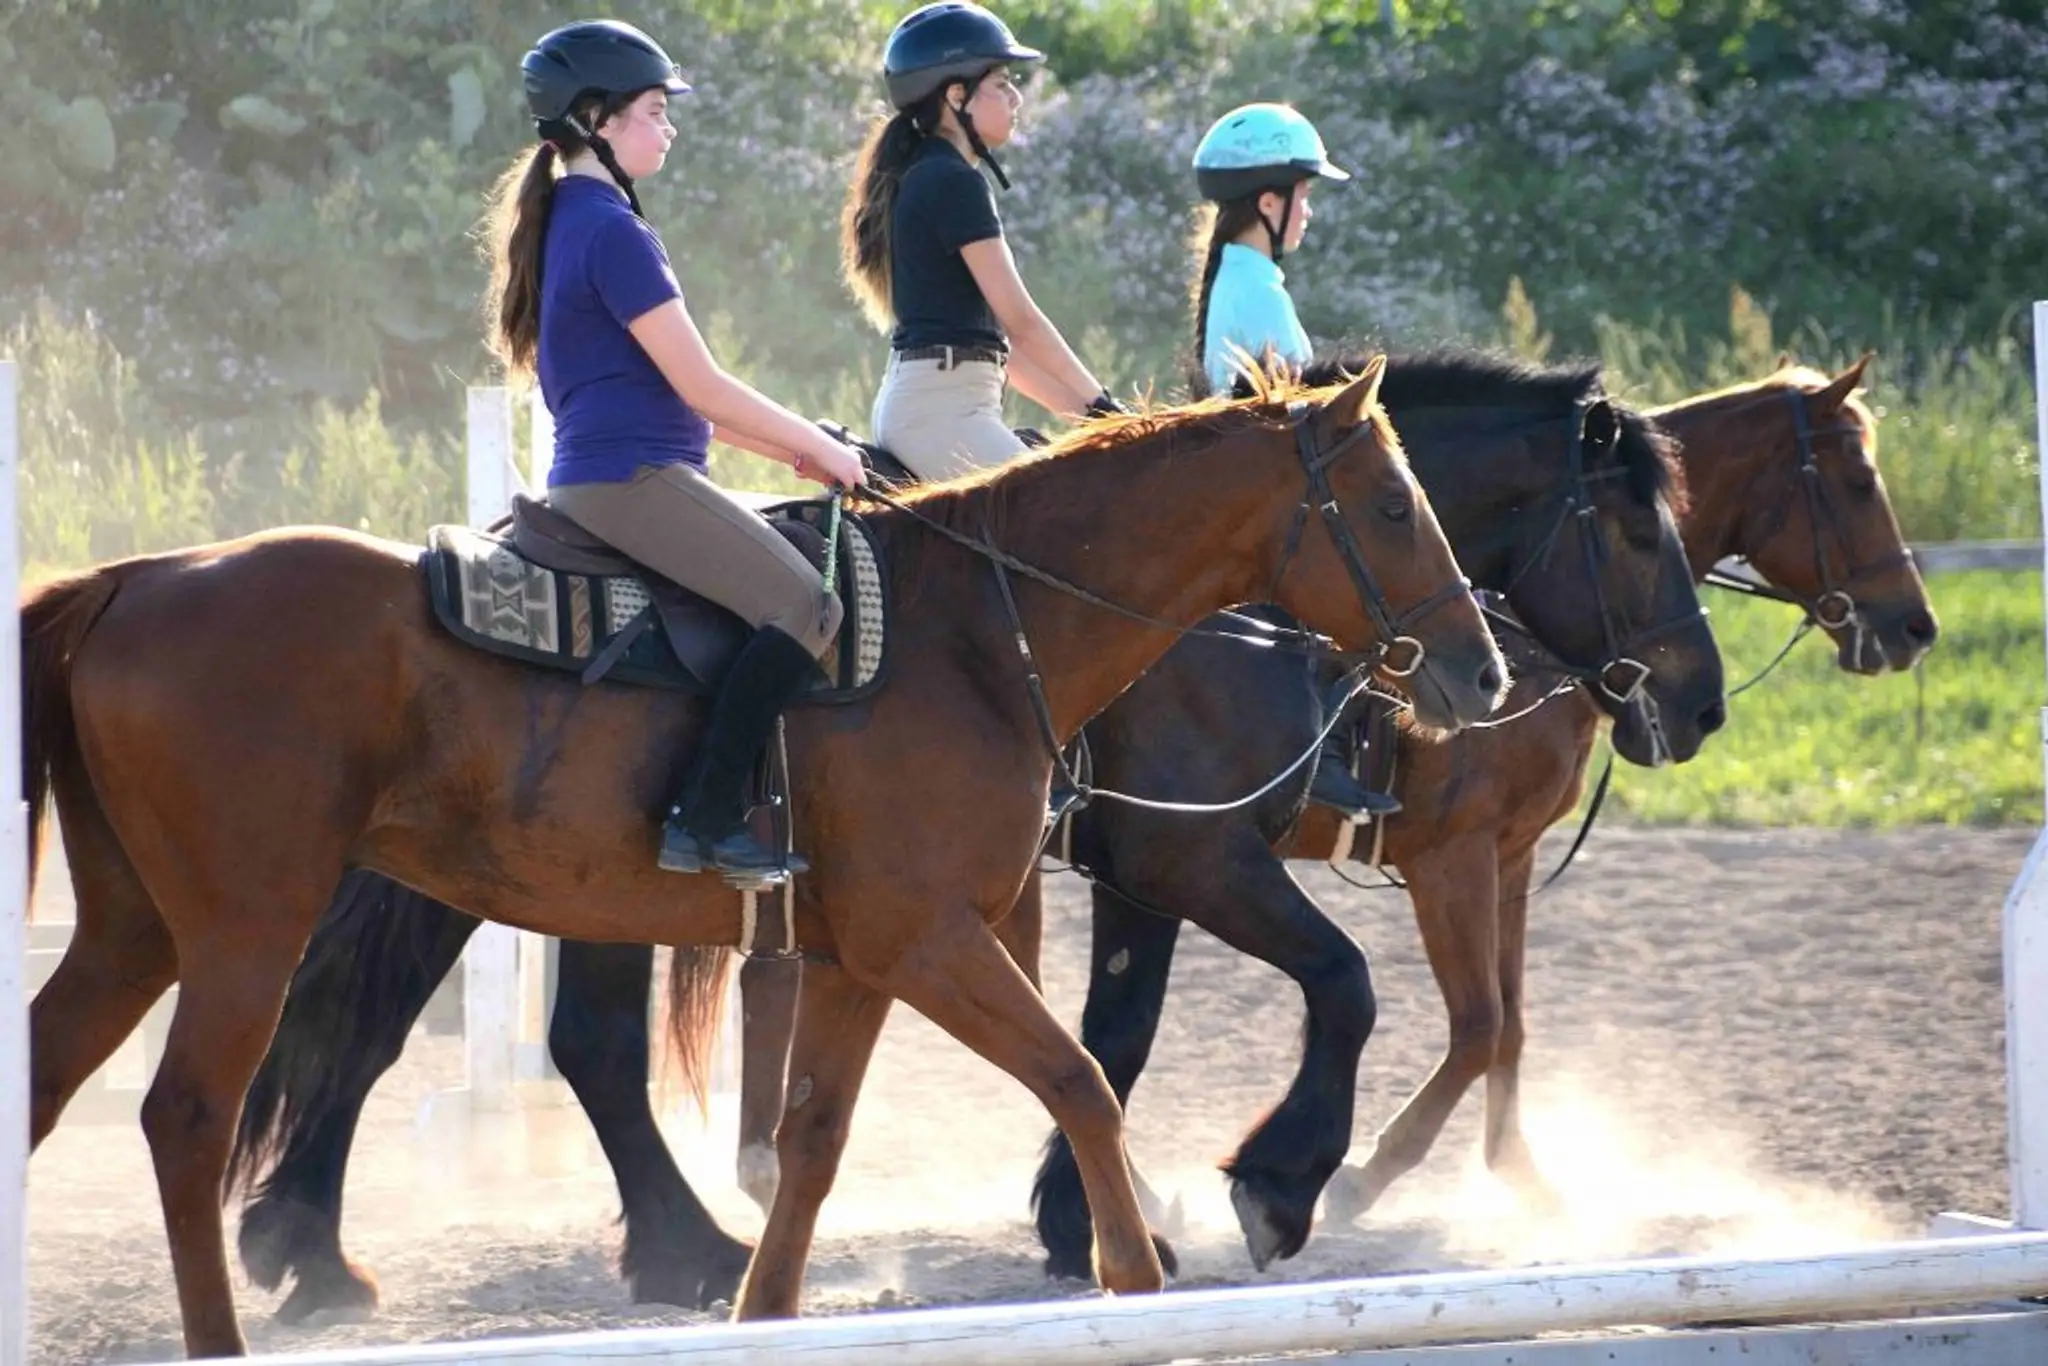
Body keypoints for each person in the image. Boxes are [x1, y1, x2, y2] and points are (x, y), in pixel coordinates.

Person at [485, 19, 867, 882]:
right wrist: (819, 445)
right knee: (809, 606)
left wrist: (794, 454)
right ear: (596, 121)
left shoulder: (573, 220)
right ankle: (705, 818)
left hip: (623, 469)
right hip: (629, 481)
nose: (670, 128)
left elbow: (673, 396)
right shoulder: (611, 230)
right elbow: (701, 385)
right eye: (655, 111)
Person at [1189, 102, 1398, 820]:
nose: (1308, 212)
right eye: (1303, 196)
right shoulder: (1258, 290)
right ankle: (1326, 752)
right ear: (1269, 202)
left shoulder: (1241, 279)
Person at [841, 0, 1124, 482]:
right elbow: (1022, 323)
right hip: (940, 415)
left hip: (942, 406)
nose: (1016, 98)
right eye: (1002, 83)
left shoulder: (933, 173)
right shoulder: (952, 181)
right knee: (1062, 525)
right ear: (956, 96)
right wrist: (1103, 404)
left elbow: (998, 353)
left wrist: (1090, 421)